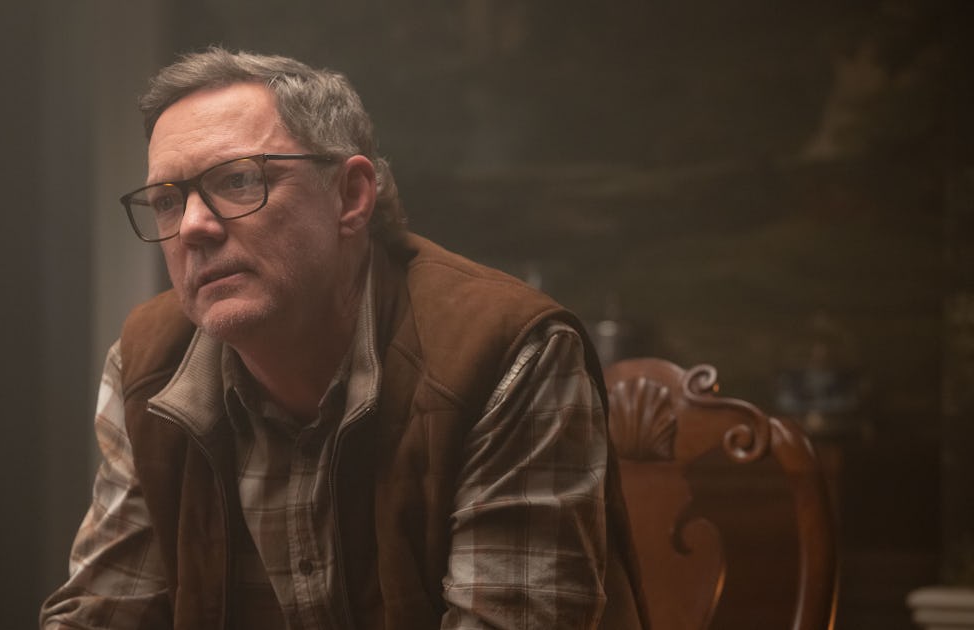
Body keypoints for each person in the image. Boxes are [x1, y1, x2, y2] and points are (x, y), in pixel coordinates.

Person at [41, 47, 647, 630]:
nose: (193, 226)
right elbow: (99, 617)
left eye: (239, 180)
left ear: (351, 196)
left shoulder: (506, 352)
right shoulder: (147, 365)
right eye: (167, 201)